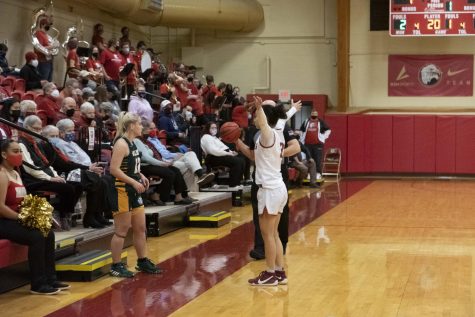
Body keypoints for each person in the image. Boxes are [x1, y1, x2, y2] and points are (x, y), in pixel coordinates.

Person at [0, 139, 70, 295]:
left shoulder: (15, 173)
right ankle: (37, 284)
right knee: (37, 236)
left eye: (20, 151)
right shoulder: (2, 175)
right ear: (4, 154)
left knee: (48, 233)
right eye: (15, 151)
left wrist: (37, 213)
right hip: (4, 221)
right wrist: (22, 217)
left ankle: (50, 279)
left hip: (17, 217)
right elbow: (1, 207)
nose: (19, 155)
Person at [109, 112, 161, 277]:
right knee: (121, 231)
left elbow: (133, 167)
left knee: (140, 228)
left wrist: (141, 176)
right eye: (139, 124)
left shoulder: (133, 142)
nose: (141, 127)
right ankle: (116, 265)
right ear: (131, 126)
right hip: (122, 190)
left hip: (133, 190)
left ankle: (142, 261)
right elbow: (114, 170)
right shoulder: (121, 144)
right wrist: (133, 181)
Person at [246, 96, 288, 286]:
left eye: (256, 116)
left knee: (268, 235)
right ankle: (279, 272)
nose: (254, 118)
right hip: (277, 188)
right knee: (275, 234)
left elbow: (262, 123)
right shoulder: (277, 132)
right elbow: (283, 118)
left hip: (270, 190)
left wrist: (259, 108)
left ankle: (270, 273)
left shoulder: (268, 134)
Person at [19, 115, 81, 230]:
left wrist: (55, 175)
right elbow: (30, 168)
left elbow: (47, 163)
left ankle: (63, 212)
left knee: (76, 184)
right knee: (68, 188)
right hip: (33, 180)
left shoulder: (36, 142)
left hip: (46, 176)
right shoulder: (21, 144)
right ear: (26, 127)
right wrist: (50, 178)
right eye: (35, 129)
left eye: (39, 129)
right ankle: (61, 213)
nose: (38, 131)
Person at [201, 121, 245, 188]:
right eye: (212, 128)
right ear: (207, 128)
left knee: (242, 159)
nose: (214, 129)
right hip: (213, 157)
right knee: (237, 161)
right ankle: (234, 184)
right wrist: (228, 153)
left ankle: (239, 181)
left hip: (222, 155)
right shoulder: (206, 137)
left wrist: (231, 152)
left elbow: (224, 147)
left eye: (215, 128)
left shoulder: (215, 138)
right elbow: (212, 151)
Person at [300, 110, 331, 181]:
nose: (314, 115)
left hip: (318, 145)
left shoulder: (321, 122)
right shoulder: (306, 121)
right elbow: (301, 130)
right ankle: (308, 173)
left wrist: (323, 137)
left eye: (315, 114)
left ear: (317, 114)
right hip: (307, 144)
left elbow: (328, 130)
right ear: (311, 114)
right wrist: (302, 139)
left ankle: (318, 173)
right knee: (309, 159)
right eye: (313, 113)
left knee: (317, 159)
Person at [34, 17, 54, 82]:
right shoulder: (39, 34)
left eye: (50, 25)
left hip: (48, 61)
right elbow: (38, 48)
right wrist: (52, 47)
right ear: (42, 25)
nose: (50, 26)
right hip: (42, 62)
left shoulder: (46, 35)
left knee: (48, 82)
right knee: (43, 82)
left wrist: (53, 49)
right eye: (48, 24)